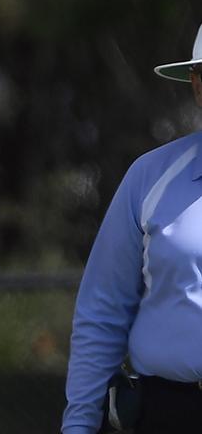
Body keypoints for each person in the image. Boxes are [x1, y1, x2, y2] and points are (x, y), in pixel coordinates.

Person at [62, 23, 202, 434]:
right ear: (196, 85)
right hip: (168, 413)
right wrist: (79, 425)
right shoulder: (151, 175)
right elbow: (102, 309)